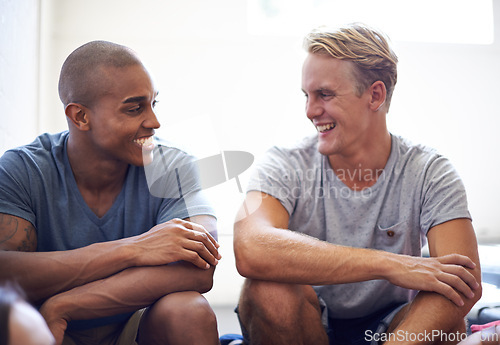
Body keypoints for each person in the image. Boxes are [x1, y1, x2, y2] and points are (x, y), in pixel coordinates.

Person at [233, 23, 482, 345]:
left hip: (388, 323)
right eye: (307, 96)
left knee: (449, 321)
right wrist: (390, 264)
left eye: (325, 94)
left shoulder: (429, 170)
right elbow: (250, 248)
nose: (310, 111)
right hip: (304, 318)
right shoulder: (286, 162)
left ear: (375, 95)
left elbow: (465, 280)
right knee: (267, 288)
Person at [0, 40, 222, 345]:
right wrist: (134, 249)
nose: (154, 122)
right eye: (134, 109)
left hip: (131, 325)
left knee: (188, 310)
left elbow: (200, 269)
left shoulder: (171, 165)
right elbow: (5, 272)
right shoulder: (22, 169)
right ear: (80, 117)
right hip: (42, 330)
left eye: (153, 104)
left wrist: (65, 305)